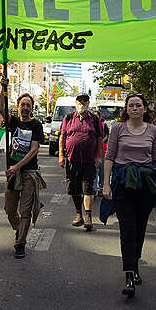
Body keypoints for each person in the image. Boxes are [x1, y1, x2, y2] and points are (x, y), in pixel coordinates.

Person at [100, 94, 156, 297]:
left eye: (138, 105)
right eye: (131, 105)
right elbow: (109, 157)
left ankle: (135, 264)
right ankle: (129, 275)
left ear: (145, 109)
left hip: (146, 184)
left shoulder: (154, 130)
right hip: (122, 183)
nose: (135, 108)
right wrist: (106, 184)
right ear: (126, 109)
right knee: (127, 229)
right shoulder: (118, 128)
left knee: (140, 228)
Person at [0, 77, 45, 259]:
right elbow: (1, 108)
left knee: (25, 210)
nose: (25, 107)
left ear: (32, 108)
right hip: (13, 173)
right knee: (10, 210)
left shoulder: (36, 125)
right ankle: (19, 229)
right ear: (18, 106)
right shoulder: (14, 123)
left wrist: (17, 166)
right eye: (22, 104)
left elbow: (34, 149)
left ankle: (21, 243)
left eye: (28, 105)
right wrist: (4, 87)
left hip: (29, 173)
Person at [58, 93, 103, 231]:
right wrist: (61, 155)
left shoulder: (94, 119)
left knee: (88, 188)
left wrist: (99, 157)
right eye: (80, 100)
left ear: (89, 103)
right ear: (76, 102)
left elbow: (99, 139)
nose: (82, 103)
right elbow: (62, 137)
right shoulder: (68, 117)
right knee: (74, 188)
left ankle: (88, 216)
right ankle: (79, 214)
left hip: (89, 161)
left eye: (85, 100)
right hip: (72, 161)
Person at [93, 109, 110, 198]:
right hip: (93, 154)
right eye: (94, 115)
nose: (96, 117)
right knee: (95, 172)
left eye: (97, 115)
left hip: (103, 152)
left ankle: (101, 188)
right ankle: (94, 189)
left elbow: (107, 136)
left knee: (102, 173)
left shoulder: (104, 125)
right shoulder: (90, 125)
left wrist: (100, 142)